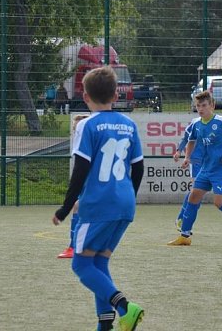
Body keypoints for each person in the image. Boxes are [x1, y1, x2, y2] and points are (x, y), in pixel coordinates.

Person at [52, 66, 145, 331]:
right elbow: (138, 168)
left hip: (98, 205)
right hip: (124, 204)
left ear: (85, 96)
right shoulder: (129, 124)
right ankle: (105, 327)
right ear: (116, 95)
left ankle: (125, 307)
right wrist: (127, 196)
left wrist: (65, 207)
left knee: (81, 264)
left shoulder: (87, 125)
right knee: (99, 262)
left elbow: (80, 169)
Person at [167, 91, 222, 247]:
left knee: (219, 202)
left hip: (221, 169)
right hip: (206, 168)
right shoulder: (196, 124)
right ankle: (185, 236)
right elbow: (191, 141)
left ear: (212, 106)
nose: (200, 109)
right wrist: (187, 157)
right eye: (198, 106)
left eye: (204, 105)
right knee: (193, 197)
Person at [57, 114, 90, 259]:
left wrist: (64, 209)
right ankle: (79, 246)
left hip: (96, 185)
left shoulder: (87, 145)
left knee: (77, 207)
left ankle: (73, 247)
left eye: (78, 129)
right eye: (75, 130)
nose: (76, 132)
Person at [172, 116, 204, 233]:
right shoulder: (195, 122)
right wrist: (179, 151)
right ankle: (182, 219)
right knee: (196, 192)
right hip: (195, 160)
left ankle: (184, 220)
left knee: (198, 194)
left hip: (209, 161)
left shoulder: (218, 121)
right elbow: (186, 137)